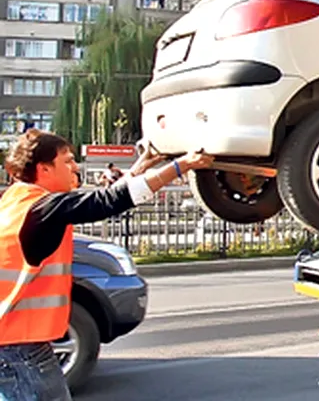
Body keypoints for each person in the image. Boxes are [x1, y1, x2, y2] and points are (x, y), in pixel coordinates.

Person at [0, 129, 214, 400]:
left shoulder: (16, 202)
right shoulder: (45, 209)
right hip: (20, 351)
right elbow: (107, 202)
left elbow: (106, 195)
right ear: (44, 169)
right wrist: (181, 165)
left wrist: (142, 165)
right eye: (66, 161)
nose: (74, 167)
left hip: (14, 345)